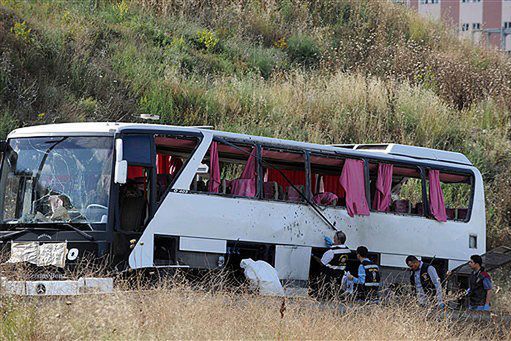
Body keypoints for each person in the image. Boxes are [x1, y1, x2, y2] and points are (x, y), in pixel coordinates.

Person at [316, 231, 351, 297]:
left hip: (330, 275)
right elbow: (340, 250)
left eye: (335, 238)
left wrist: (314, 256)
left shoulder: (331, 251)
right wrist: (333, 245)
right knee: (335, 292)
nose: (333, 239)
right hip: (340, 275)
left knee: (326, 293)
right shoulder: (348, 250)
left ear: (339, 240)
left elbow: (322, 263)